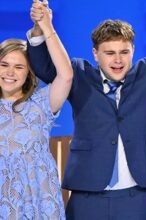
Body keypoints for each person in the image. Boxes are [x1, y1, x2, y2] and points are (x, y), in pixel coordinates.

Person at [28, 0, 146, 219]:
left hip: (135, 198)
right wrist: (40, 27)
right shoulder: (79, 75)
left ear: (133, 50)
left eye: (124, 51)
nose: (118, 60)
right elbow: (43, 67)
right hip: (87, 197)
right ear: (95, 54)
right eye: (109, 52)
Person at [0, 1, 73, 219]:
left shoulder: (40, 104)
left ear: (28, 73)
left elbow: (66, 75)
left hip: (39, 206)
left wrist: (46, 27)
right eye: (4, 64)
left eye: (19, 66)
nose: (10, 72)